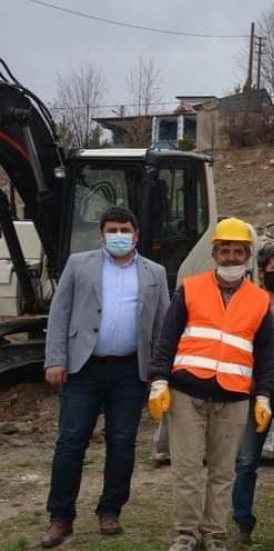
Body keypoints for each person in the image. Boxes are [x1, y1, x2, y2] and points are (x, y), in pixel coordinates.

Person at [39, 207, 170, 548]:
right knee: (70, 442)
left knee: (122, 443)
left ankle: (110, 510)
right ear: (102, 234)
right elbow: (60, 313)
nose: (118, 235)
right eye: (111, 229)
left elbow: (162, 326)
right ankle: (60, 517)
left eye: (124, 229)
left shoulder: (155, 273)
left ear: (136, 233)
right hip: (83, 368)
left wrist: (159, 373)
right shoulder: (78, 264)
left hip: (130, 371)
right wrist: (55, 359)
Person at [148, 218, 274, 551]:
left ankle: (214, 533)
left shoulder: (260, 301)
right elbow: (167, 339)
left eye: (238, 251)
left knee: (223, 472)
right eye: (225, 250)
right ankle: (187, 533)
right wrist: (159, 381)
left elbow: (265, 356)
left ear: (248, 255)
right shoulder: (190, 288)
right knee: (187, 469)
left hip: (233, 397)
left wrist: (263, 397)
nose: (231, 257)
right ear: (214, 253)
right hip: (187, 393)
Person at [231, 244, 274, 544]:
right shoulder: (249, 303)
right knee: (246, 460)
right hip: (252, 391)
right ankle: (242, 523)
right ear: (261, 272)